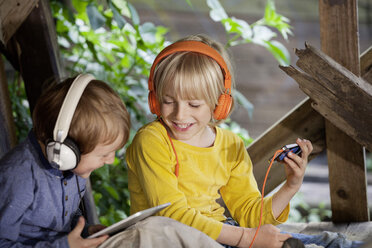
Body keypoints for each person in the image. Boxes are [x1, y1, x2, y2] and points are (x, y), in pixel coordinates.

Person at [0, 74, 224, 248]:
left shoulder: (70, 167)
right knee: (148, 234)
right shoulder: (18, 178)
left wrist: (87, 231)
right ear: (66, 149)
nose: (110, 161)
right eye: (103, 154)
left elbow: (61, 221)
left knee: (158, 228)